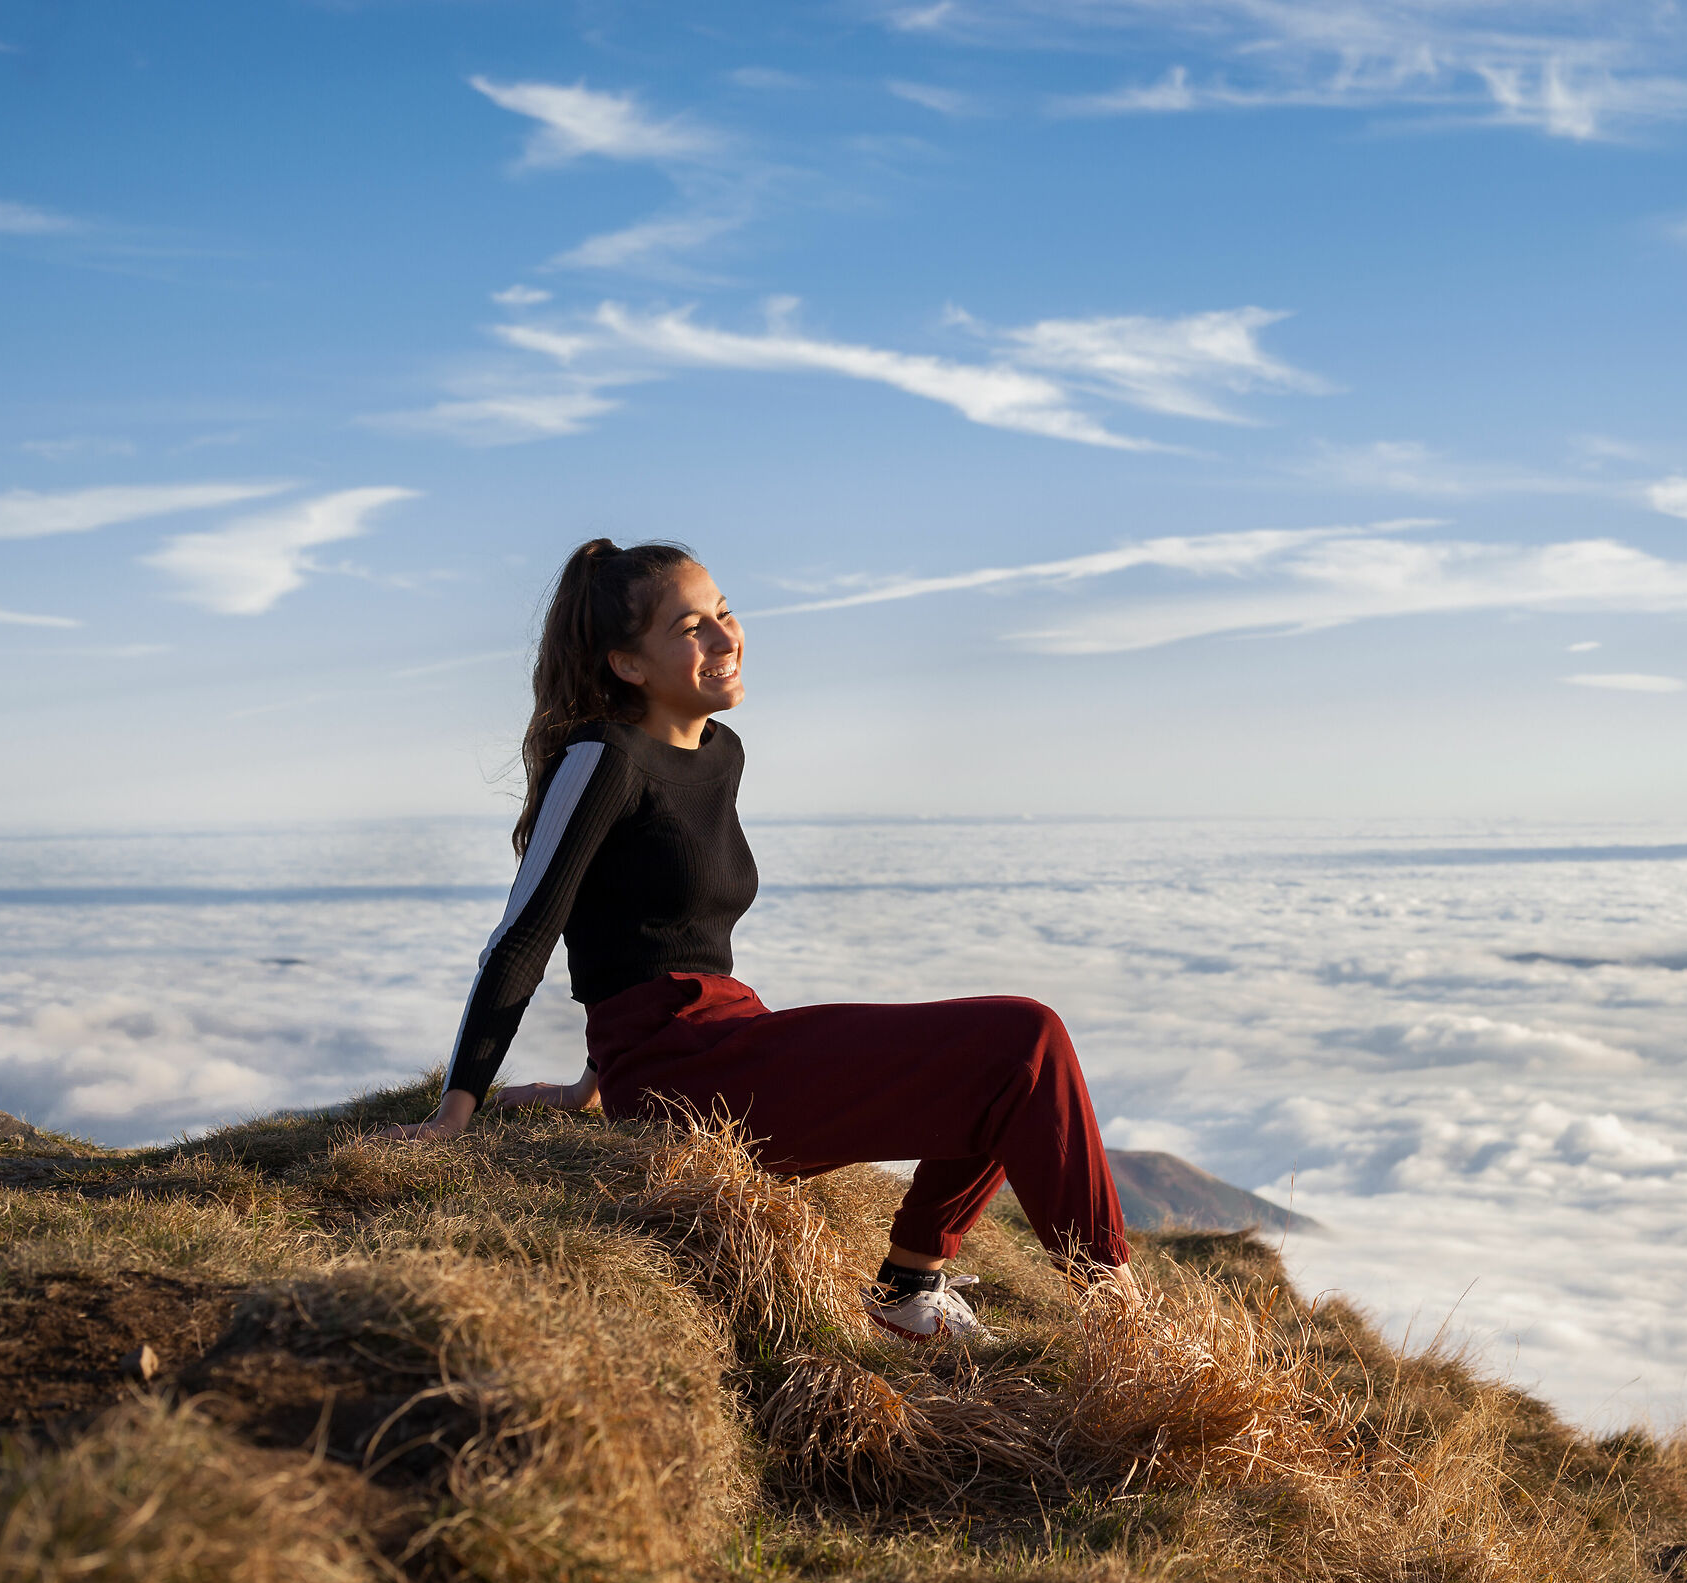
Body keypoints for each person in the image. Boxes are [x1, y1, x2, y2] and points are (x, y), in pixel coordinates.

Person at [377, 539, 1131, 1341]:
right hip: (686, 1076)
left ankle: (909, 1290)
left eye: (724, 614)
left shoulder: (718, 751)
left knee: (1005, 1063)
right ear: (628, 665)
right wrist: (456, 1113)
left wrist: (583, 1087)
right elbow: (524, 936)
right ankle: (1127, 1328)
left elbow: (650, 927)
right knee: (1024, 1037)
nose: (725, 638)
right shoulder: (600, 760)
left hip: (729, 1033)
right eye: (690, 628)